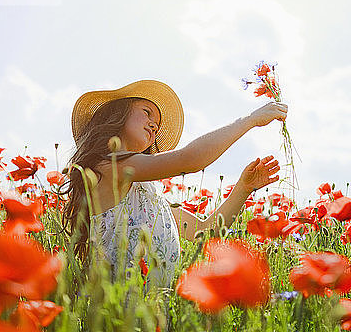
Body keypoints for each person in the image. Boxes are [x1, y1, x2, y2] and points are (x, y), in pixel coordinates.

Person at [62, 79, 287, 289]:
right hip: (120, 312)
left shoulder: (147, 197)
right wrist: (249, 121)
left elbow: (205, 231)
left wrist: (243, 188)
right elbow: (189, 160)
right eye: (146, 112)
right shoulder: (108, 168)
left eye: (158, 124)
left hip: (154, 313)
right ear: (117, 113)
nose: (154, 125)